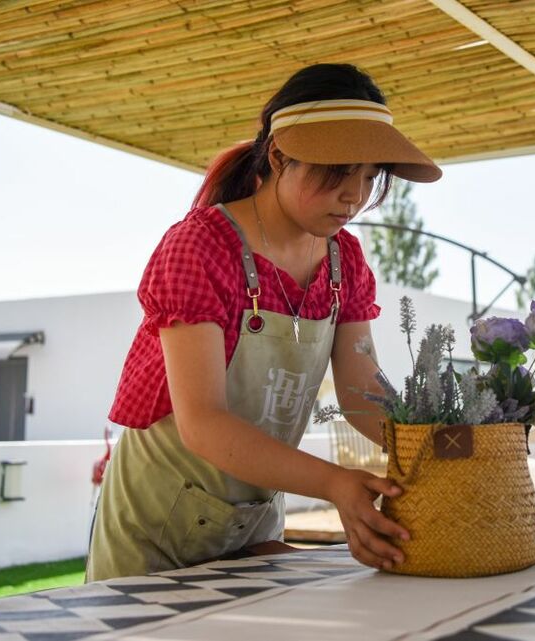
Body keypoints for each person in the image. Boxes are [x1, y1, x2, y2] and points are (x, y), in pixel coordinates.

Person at [85, 63, 442, 582]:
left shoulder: (346, 261)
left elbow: (363, 392)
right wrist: (336, 483)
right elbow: (204, 422)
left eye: (369, 177)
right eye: (338, 171)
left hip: (250, 527)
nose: (354, 196)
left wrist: (439, 442)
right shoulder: (201, 246)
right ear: (278, 156)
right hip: (154, 529)